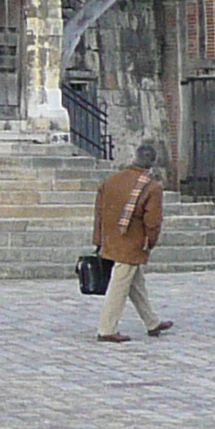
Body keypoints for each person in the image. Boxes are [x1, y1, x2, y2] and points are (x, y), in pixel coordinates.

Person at [92, 140, 172, 344]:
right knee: (119, 285)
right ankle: (106, 329)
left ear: (134, 158)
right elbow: (152, 221)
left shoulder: (111, 180)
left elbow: (99, 211)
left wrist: (98, 239)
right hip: (132, 241)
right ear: (152, 163)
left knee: (135, 283)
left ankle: (152, 322)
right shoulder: (151, 187)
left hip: (111, 237)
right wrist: (150, 242)